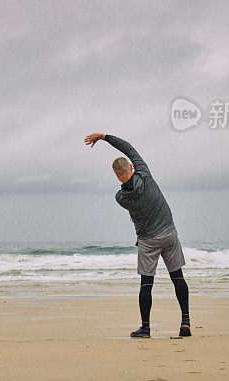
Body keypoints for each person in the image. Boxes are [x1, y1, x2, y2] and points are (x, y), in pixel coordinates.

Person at [84, 132, 191, 338]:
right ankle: (185, 320)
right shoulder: (144, 173)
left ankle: (146, 327)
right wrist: (104, 137)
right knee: (177, 277)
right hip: (168, 233)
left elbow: (126, 188)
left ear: (117, 175)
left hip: (148, 241)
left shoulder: (121, 198)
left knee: (146, 284)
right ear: (132, 167)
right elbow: (128, 147)